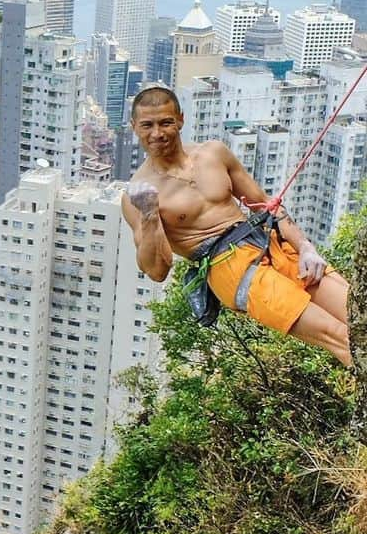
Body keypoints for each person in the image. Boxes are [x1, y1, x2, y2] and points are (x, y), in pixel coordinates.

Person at [120, 84, 350, 366]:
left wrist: (305, 246)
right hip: (228, 267)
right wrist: (149, 215)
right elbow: (157, 270)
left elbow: (263, 203)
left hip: (268, 243)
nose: (157, 133)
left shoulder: (213, 154)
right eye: (147, 125)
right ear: (134, 127)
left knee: (358, 311)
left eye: (166, 122)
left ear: (181, 119)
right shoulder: (136, 196)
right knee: (340, 336)